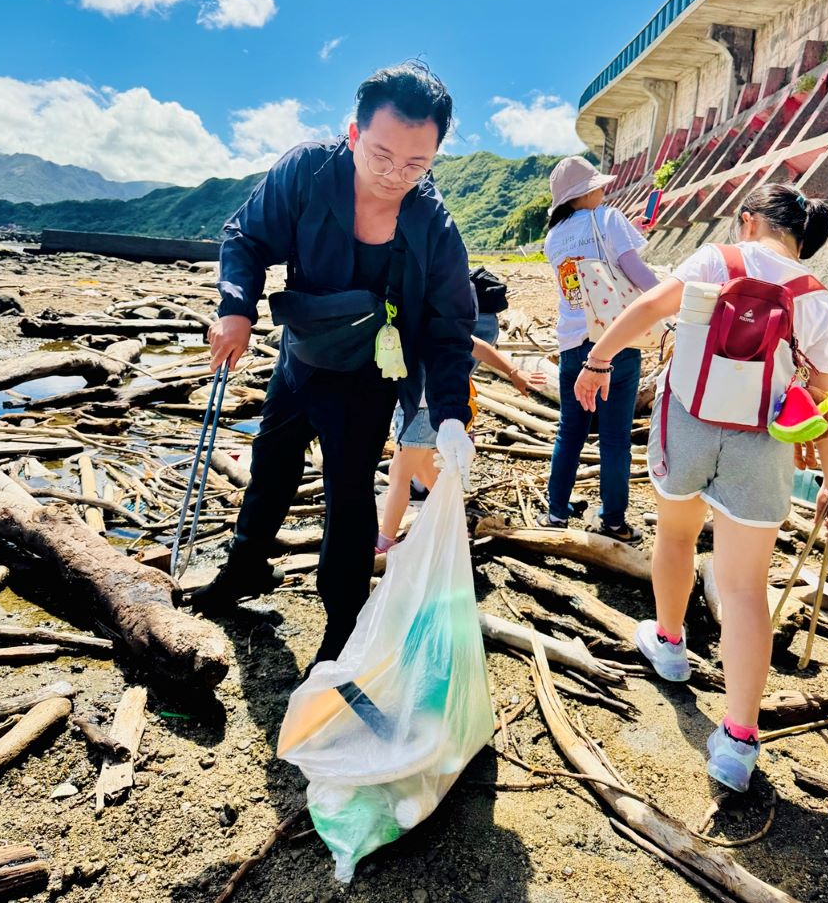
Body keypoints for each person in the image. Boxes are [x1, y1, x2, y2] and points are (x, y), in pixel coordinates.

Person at [193, 62, 477, 668]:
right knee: (270, 466)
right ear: (353, 133)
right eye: (380, 154)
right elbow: (245, 237)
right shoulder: (306, 171)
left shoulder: (432, 225)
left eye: (415, 164)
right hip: (300, 357)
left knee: (349, 497)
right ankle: (244, 569)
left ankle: (343, 622)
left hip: (369, 377)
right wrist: (236, 309)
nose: (394, 175)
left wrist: (450, 415)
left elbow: (451, 326)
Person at [573, 183, 828, 793]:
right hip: (765, 440)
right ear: (806, 242)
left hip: (688, 423)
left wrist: (598, 362)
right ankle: (739, 744)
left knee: (675, 536)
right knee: (746, 589)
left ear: (749, 221)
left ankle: (669, 644)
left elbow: (647, 312)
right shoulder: (819, 299)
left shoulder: (714, 260)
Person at [543, 156, 658, 543]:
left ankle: (555, 515)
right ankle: (613, 522)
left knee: (569, 433)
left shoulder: (554, 236)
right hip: (617, 341)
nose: (604, 190)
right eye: (599, 186)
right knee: (614, 439)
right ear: (589, 190)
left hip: (573, 343)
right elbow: (637, 274)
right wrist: (672, 299)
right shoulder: (609, 218)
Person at [377, 331, 547, 551]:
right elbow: (477, 345)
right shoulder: (436, 320)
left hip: (421, 409)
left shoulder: (423, 320)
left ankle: (385, 541)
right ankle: (453, 527)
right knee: (427, 472)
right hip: (423, 408)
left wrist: (514, 372)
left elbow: (475, 344)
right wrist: (513, 372)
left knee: (398, 475)